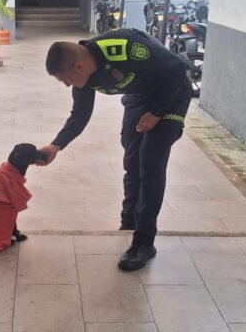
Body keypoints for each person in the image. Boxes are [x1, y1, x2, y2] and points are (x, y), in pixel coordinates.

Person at [38, 28, 193, 271]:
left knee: (150, 162)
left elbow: (176, 69)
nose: (67, 85)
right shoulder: (83, 77)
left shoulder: (126, 48)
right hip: (140, 96)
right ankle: (129, 225)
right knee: (132, 161)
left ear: (78, 66)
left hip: (172, 92)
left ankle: (144, 242)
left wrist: (157, 113)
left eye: (65, 79)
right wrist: (56, 145)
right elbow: (80, 115)